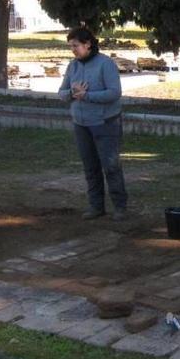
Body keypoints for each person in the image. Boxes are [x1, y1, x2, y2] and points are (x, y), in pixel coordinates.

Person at [58, 27, 128, 221]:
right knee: (90, 166)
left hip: (105, 123)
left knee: (111, 165)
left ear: (88, 44)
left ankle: (120, 207)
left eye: (76, 46)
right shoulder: (72, 66)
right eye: (70, 46)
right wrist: (73, 93)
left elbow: (114, 93)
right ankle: (96, 206)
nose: (73, 50)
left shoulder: (106, 64)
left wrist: (87, 96)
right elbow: (61, 93)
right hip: (81, 124)